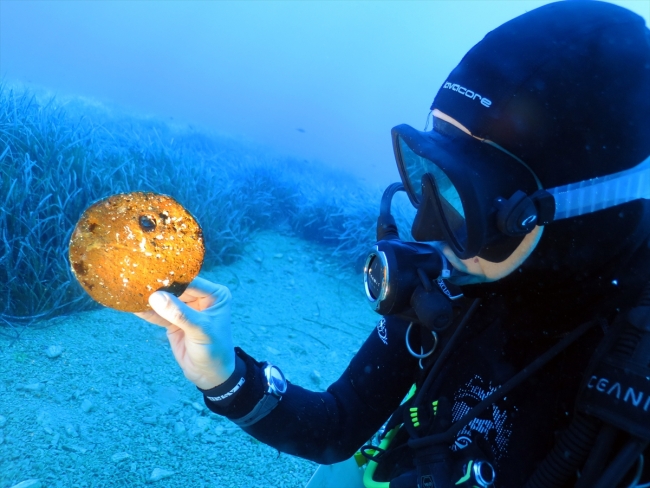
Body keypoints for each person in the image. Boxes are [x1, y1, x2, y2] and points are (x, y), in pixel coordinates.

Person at [135, 1, 650, 486]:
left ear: (577, 216)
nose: (425, 229)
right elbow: (336, 426)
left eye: (466, 198)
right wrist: (224, 375)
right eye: (430, 171)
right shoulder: (454, 285)